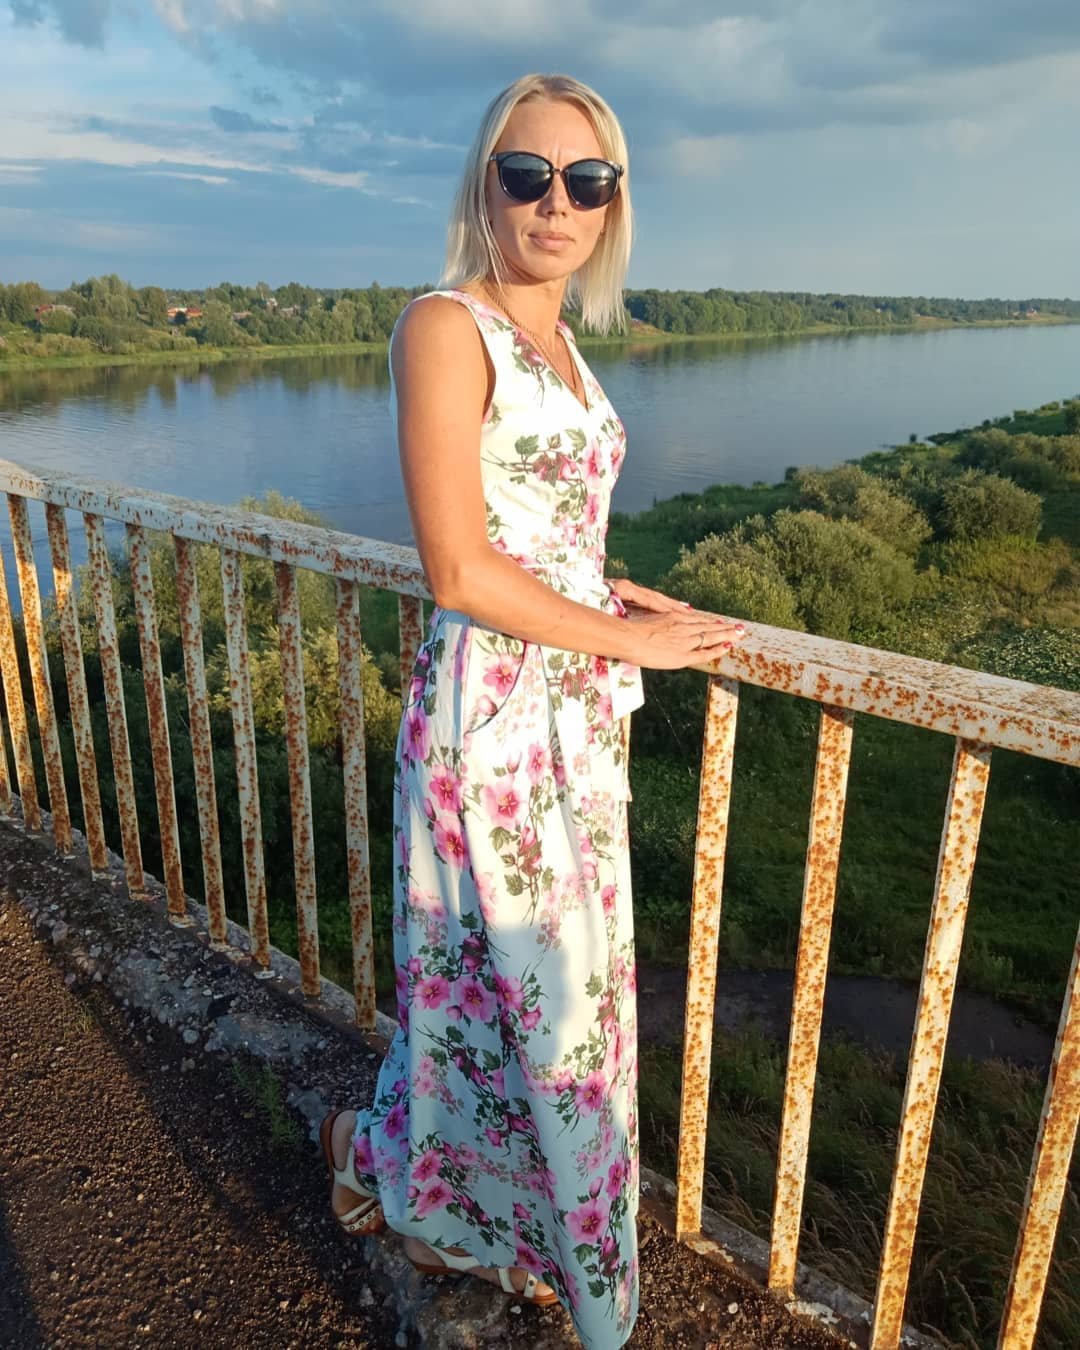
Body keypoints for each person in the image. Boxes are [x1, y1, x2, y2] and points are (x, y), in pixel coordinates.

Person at [319, 72, 745, 1349]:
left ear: (613, 206)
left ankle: (423, 1190)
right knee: (523, 1002)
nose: (557, 203)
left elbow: (543, 526)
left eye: (588, 181)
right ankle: (476, 1217)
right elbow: (458, 568)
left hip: (573, 712)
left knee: (549, 997)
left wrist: (617, 594)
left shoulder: (563, 342)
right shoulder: (446, 326)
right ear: (486, 188)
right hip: (494, 719)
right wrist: (635, 643)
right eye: (529, 174)